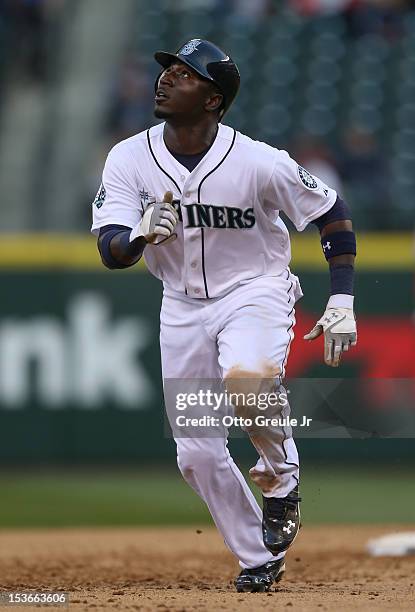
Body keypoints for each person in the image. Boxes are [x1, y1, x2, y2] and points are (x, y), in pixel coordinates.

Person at [91, 39, 357, 593]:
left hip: (253, 289)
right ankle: (258, 554)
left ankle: (282, 482)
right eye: (168, 70)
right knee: (196, 452)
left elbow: (331, 212)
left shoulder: (258, 160)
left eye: (185, 75)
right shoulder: (128, 157)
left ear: (213, 99)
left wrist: (342, 299)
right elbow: (110, 250)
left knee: (246, 380)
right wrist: (138, 236)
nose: (166, 79)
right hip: (181, 303)